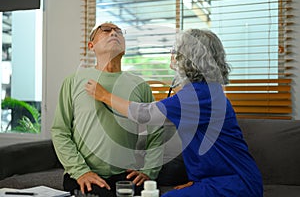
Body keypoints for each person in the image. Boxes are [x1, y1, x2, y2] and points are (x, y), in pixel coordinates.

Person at [85, 29, 264, 197]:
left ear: (189, 58)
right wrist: (198, 182)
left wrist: (104, 95)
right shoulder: (208, 91)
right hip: (224, 179)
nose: (173, 55)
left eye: (177, 51)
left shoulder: (198, 95)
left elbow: (144, 115)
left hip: (236, 184)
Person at [51, 22, 164, 197]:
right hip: (86, 175)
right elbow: (60, 131)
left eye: (119, 31)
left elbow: (156, 133)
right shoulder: (73, 81)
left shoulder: (140, 86)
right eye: (106, 30)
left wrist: (149, 170)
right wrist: (81, 172)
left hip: (126, 175)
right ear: (91, 46)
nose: (114, 33)